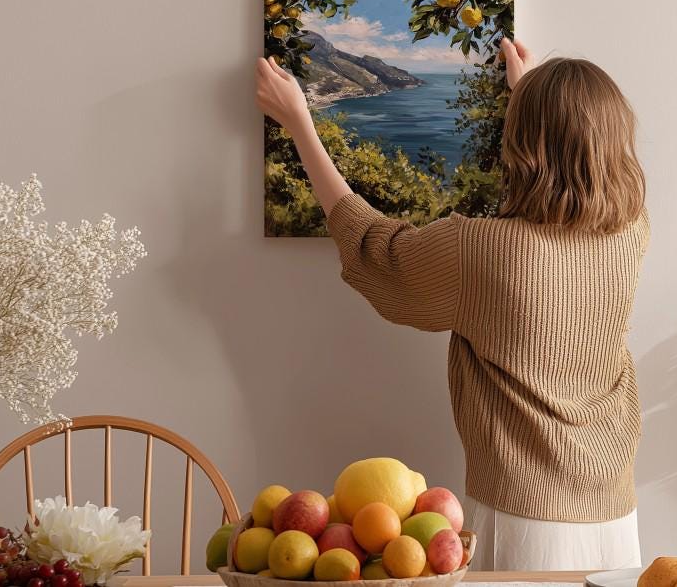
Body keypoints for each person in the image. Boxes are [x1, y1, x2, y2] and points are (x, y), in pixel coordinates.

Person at [255, 38, 649, 571]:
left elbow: (375, 246)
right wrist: (528, 95)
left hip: (523, 517)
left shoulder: (481, 249)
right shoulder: (631, 232)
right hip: (616, 515)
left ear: (522, 143)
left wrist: (299, 121)